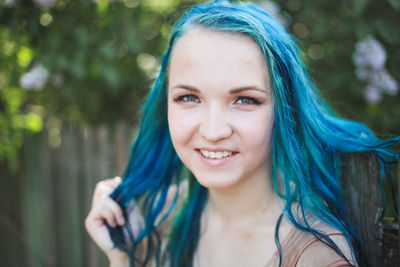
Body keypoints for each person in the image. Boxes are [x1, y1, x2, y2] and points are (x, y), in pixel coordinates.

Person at [85, 1, 399, 266]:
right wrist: (124, 257)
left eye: (245, 100)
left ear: (283, 110)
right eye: (189, 97)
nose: (212, 130)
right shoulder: (161, 217)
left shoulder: (316, 255)